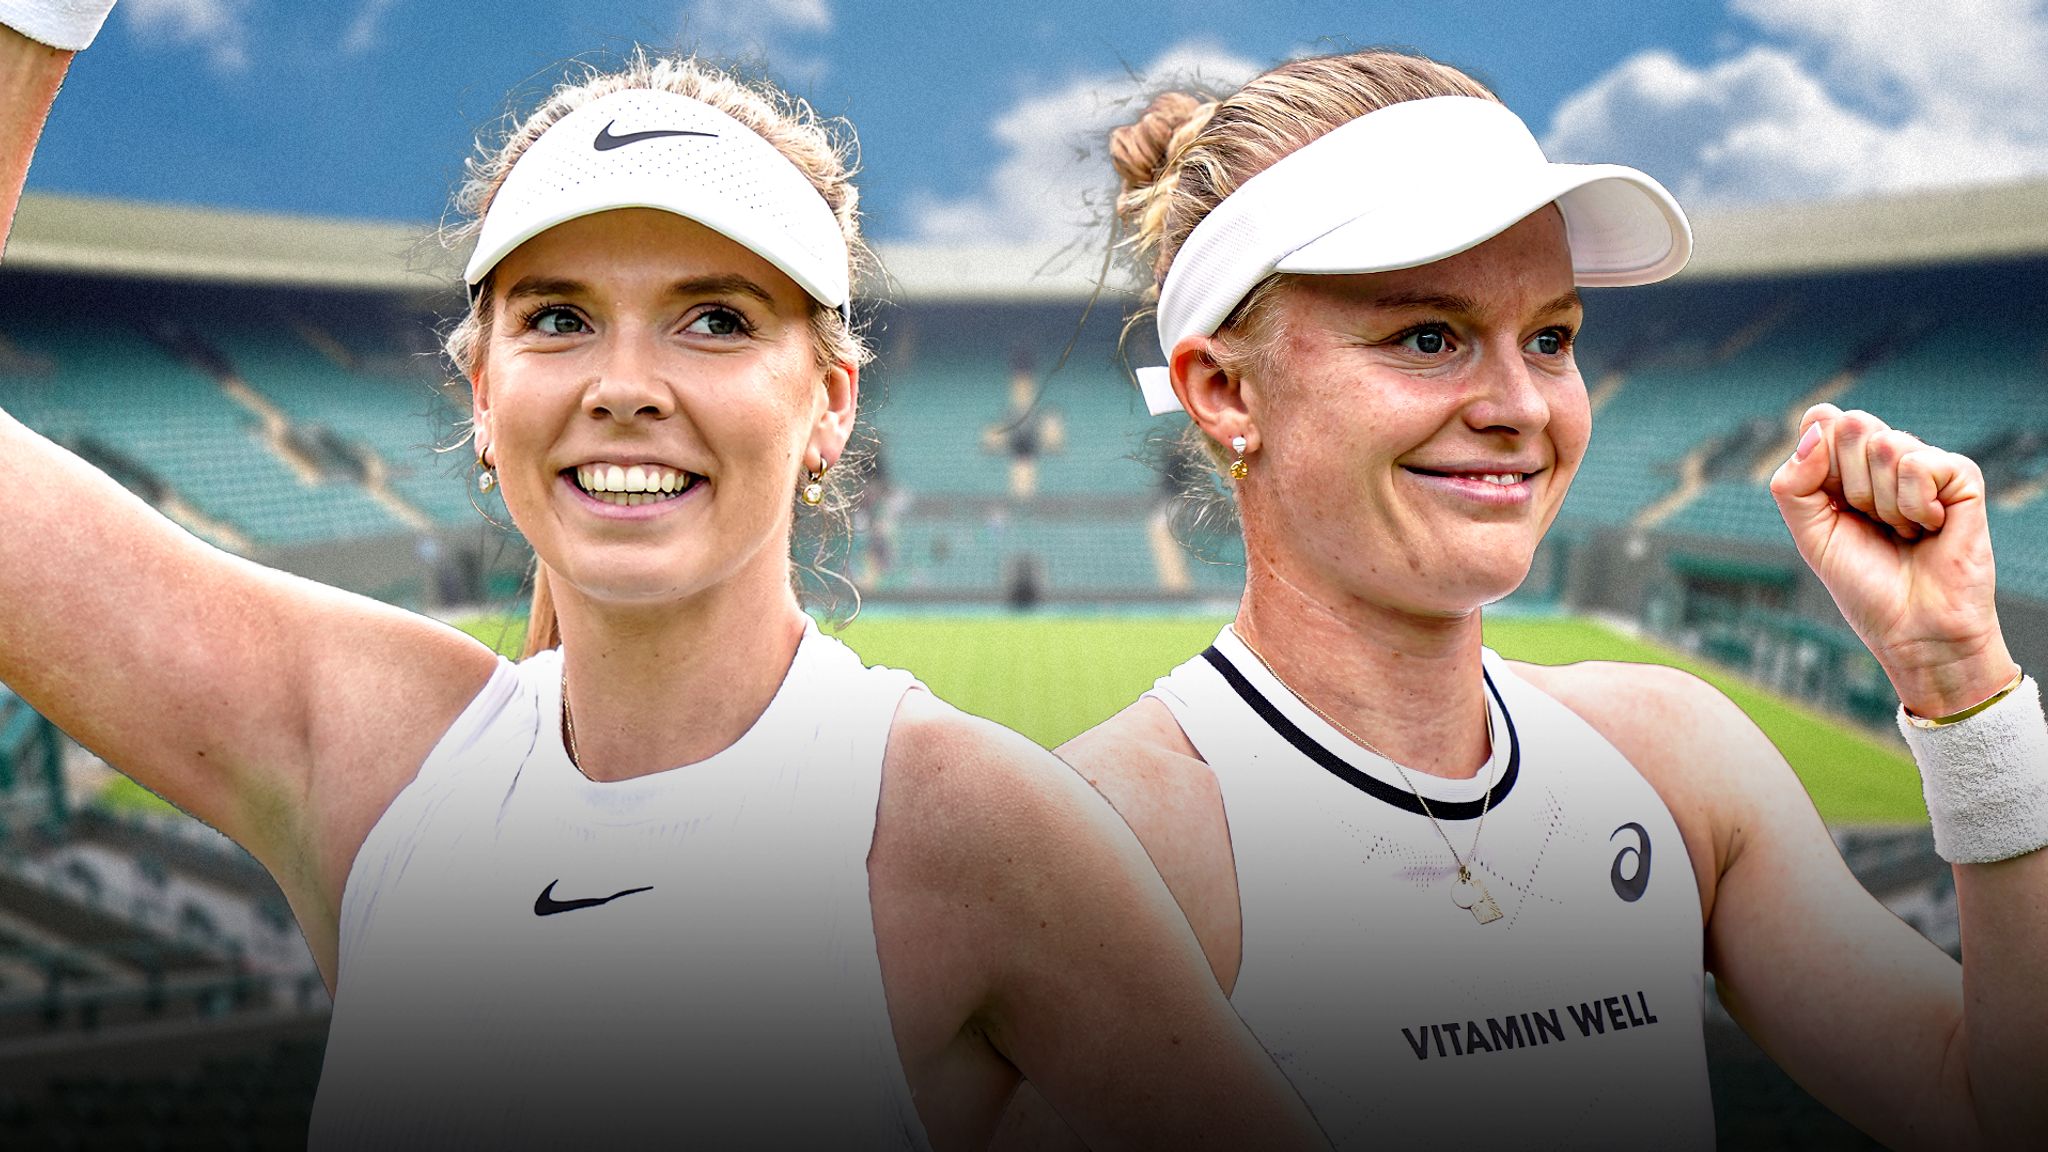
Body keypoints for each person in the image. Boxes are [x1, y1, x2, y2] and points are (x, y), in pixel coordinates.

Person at [0, 13, 1332, 1151]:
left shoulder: (964, 829)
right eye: (559, 316)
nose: (624, 386)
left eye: (717, 319)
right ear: (481, 390)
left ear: (829, 397)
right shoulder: (374, 753)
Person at [998, 49, 2048, 1151]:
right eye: (1426, 336)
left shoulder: (1674, 757)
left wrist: (1957, 682)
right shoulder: (1097, 849)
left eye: (1550, 338)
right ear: (1221, 390)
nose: (1516, 404)